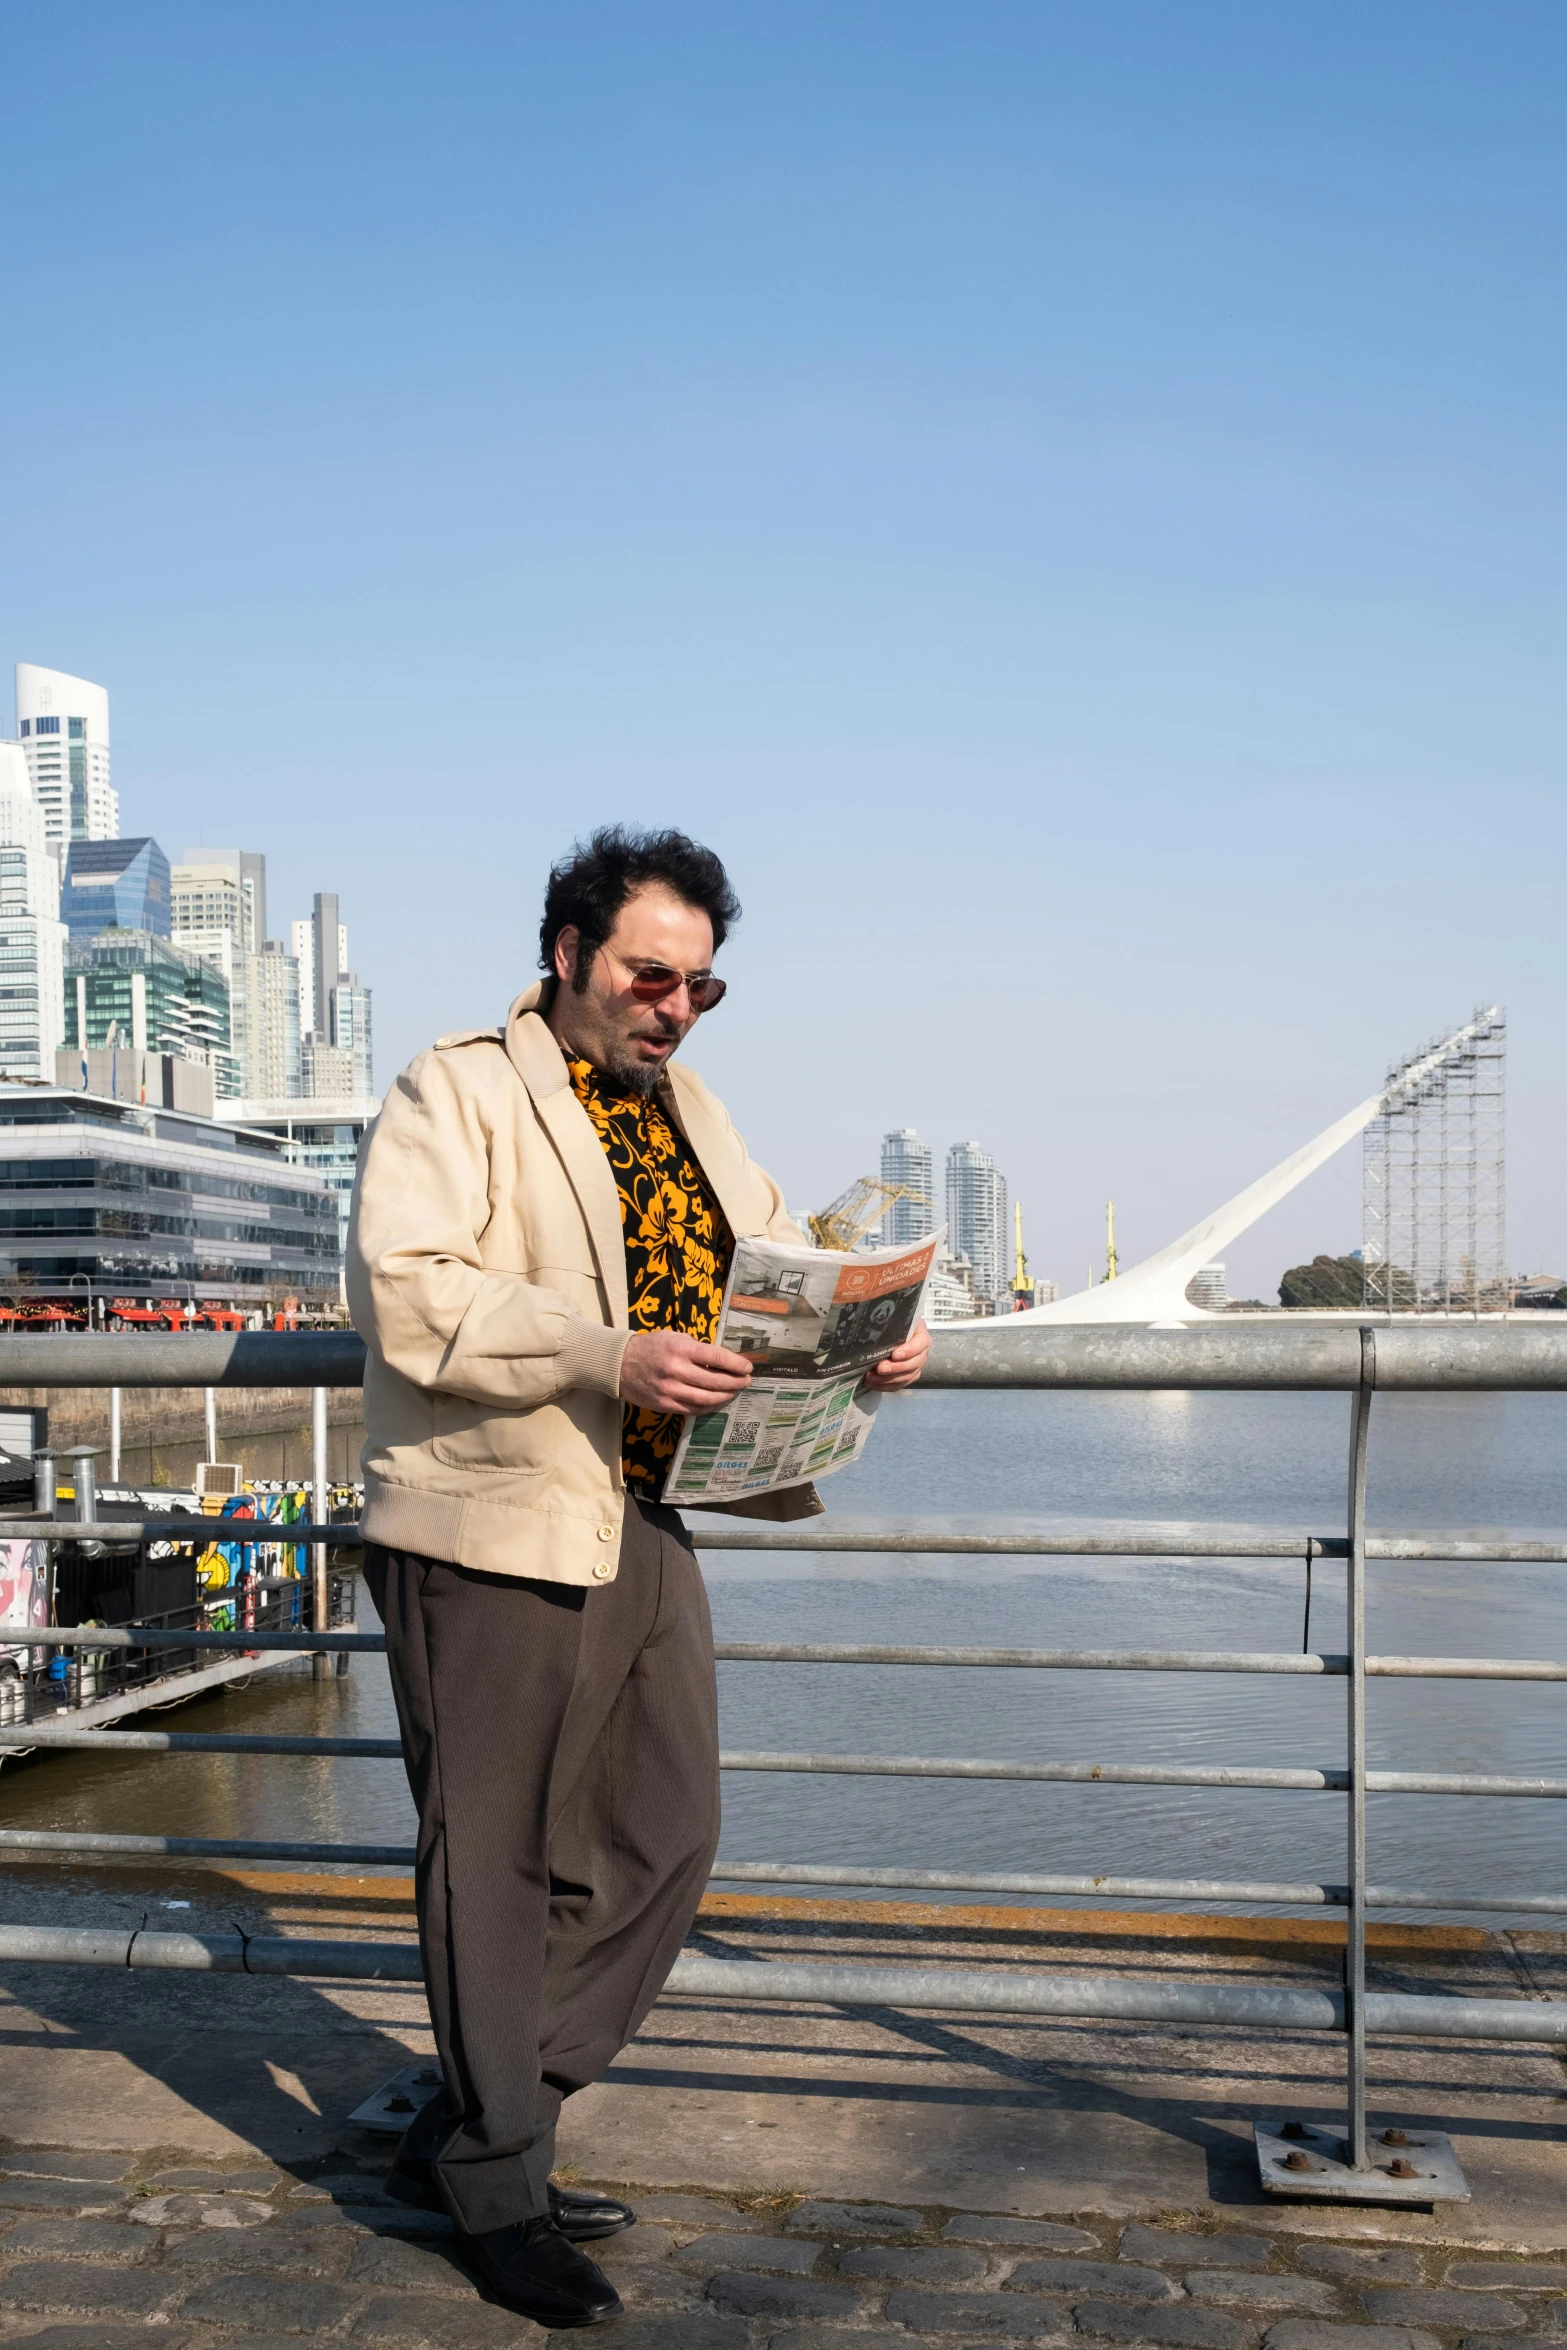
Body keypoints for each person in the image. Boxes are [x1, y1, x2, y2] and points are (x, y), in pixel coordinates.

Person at [346, 826, 929, 2328]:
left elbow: (775, 1263)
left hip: (646, 1514)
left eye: (699, 984)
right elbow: (409, 1288)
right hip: (491, 1522)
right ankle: (495, 2180)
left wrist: (874, 1343)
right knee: (495, 1856)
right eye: (647, 974)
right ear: (564, 953)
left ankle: (485, 2121)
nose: (672, 1005)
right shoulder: (456, 1085)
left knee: (666, 1832)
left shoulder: (697, 1111)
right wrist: (610, 1355)